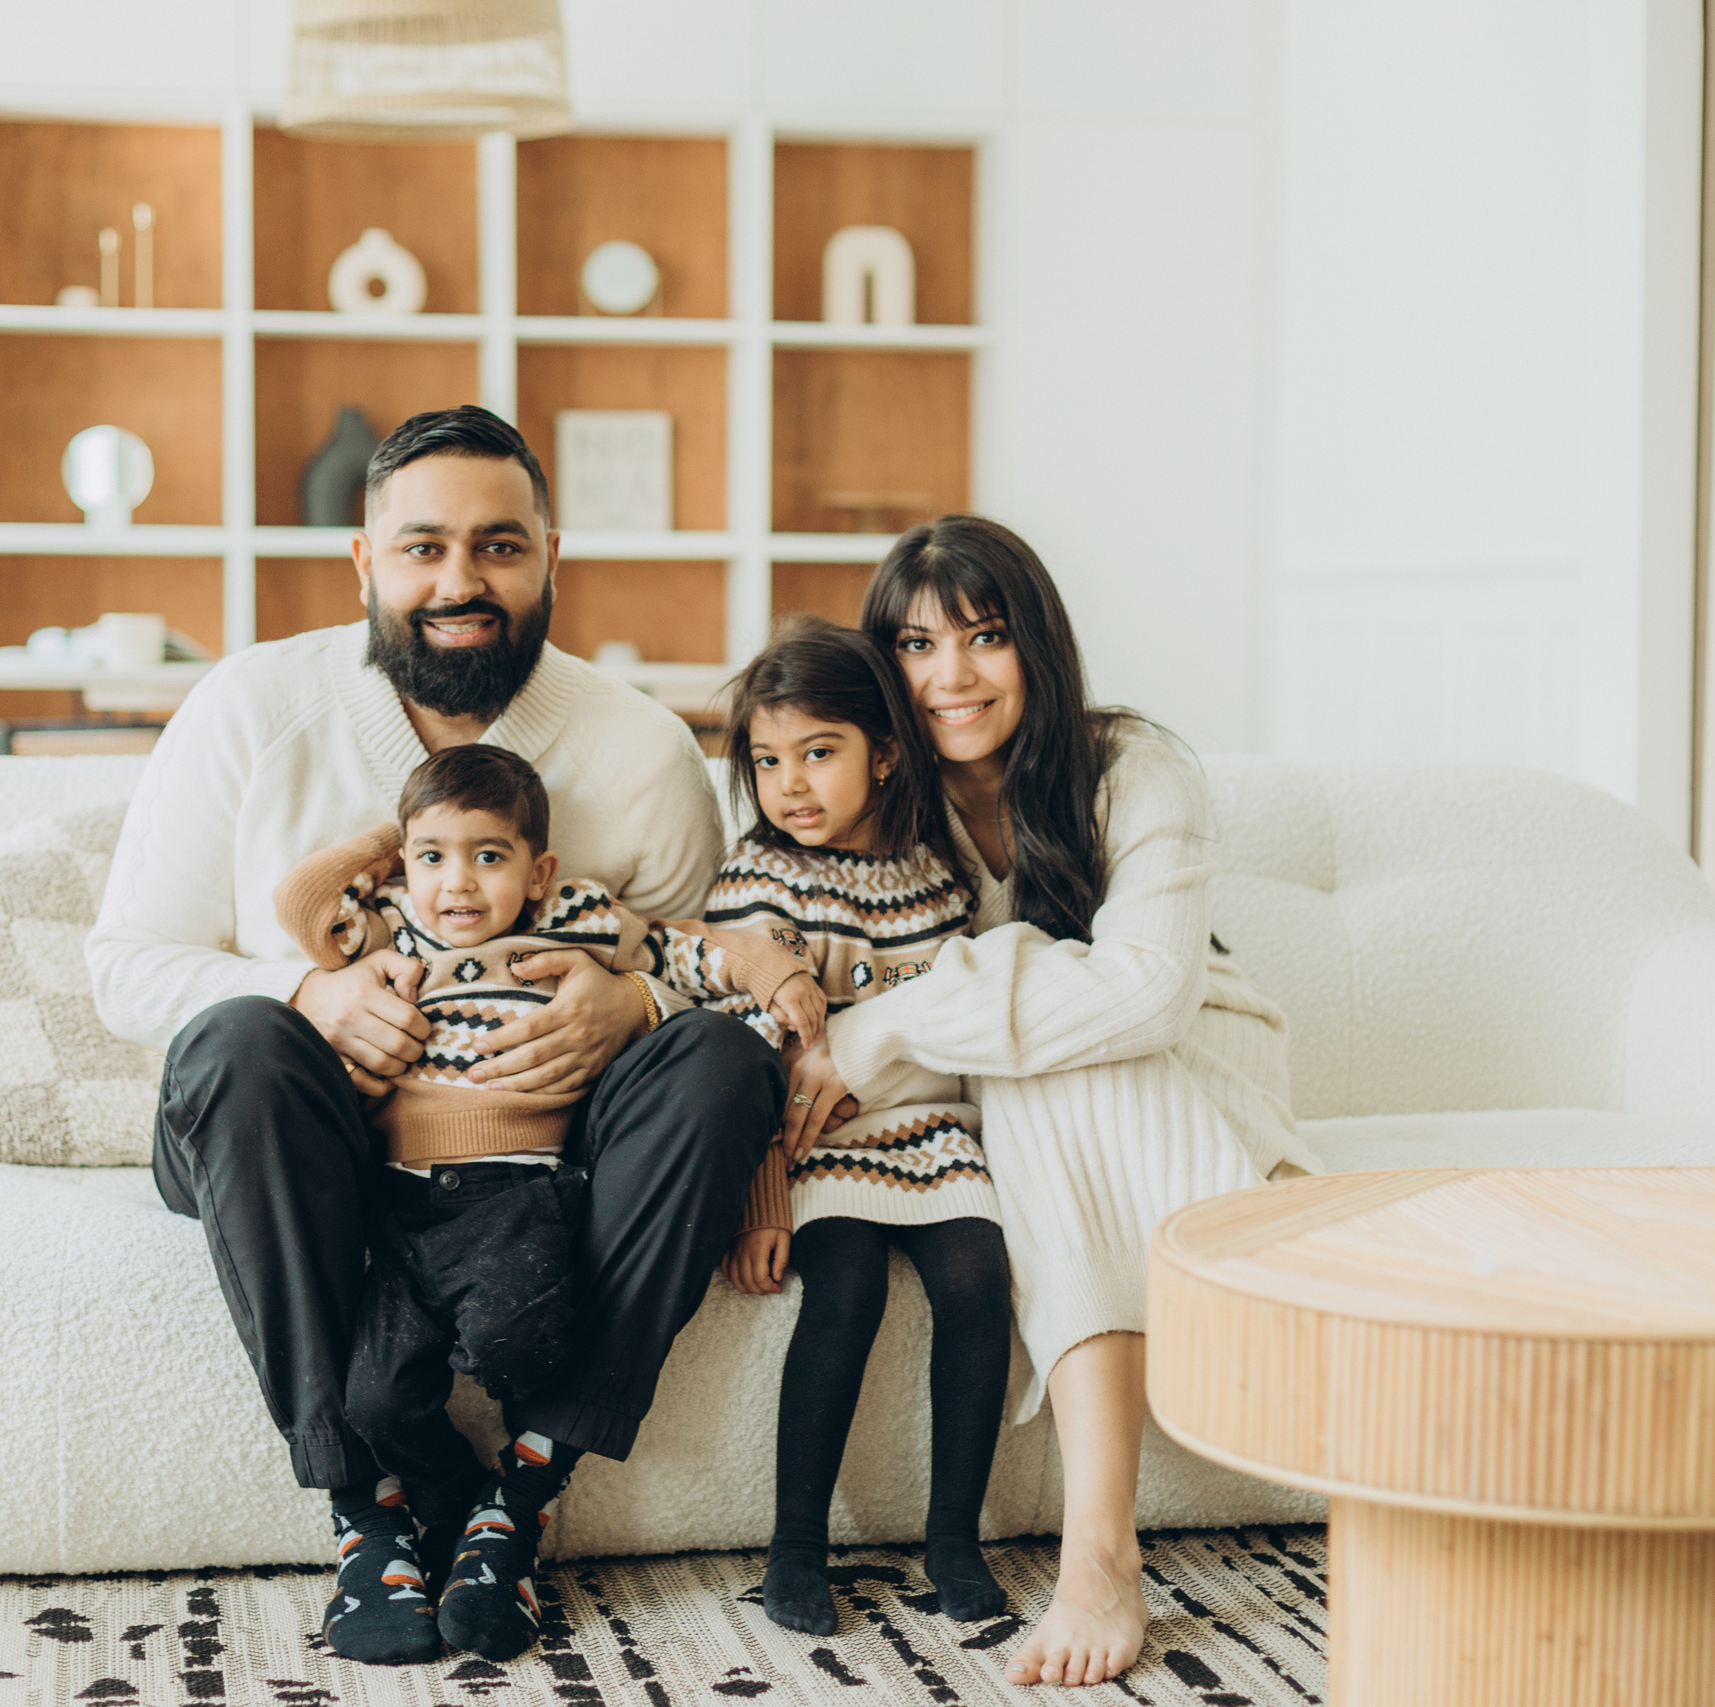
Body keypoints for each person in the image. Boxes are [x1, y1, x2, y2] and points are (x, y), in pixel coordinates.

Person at [85, 405, 789, 1666]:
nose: (459, 582)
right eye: (421, 548)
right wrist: (310, 996)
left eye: (498, 546)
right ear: (364, 562)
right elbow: (124, 968)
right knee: (245, 1035)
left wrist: (641, 1006)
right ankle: (368, 1507)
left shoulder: (636, 747)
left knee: (722, 1060)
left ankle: (521, 1496)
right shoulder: (253, 707)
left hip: (526, 1163)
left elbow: (713, 963)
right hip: (284, 1140)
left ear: (550, 557)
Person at [802, 516, 1323, 1688]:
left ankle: (1102, 1552)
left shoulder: (1133, 766)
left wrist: (884, 1027)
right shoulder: (874, 788)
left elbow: (1145, 995)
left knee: (1057, 1061)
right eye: (918, 644)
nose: (951, 677)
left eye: (984, 638)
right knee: (1040, 1067)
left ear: (1035, 645)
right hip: (1014, 1088)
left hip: (1203, 1065)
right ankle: (1104, 1547)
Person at [271, 743, 826, 1664]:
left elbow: (694, 946)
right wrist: (393, 840)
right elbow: (301, 906)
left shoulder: (574, 921)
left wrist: (776, 976)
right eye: (433, 857)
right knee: (373, 1397)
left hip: (521, 1195)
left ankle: (518, 1494)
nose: (457, 883)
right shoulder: (388, 930)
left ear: (541, 871)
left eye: (488, 855)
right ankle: (456, 1502)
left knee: (513, 1341)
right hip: (400, 1207)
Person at [706, 622, 1015, 1638]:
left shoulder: (938, 879)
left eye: (817, 752)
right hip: (814, 1149)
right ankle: (796, 1548)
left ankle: (953, 1541)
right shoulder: (761, 882)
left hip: (930, 1134)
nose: (788, 783)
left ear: (884, 753)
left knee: (976, 1280)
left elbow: (971, 1011)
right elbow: (745, 1060)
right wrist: (758, 1203)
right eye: (766, 759)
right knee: (841, 1291)